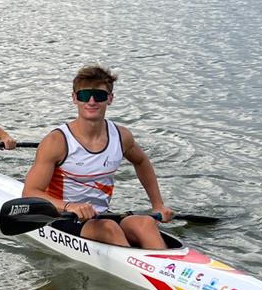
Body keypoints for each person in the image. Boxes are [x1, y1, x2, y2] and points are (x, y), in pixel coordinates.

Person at [20, 65, 171, 249]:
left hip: (101, 215)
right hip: (61, 217)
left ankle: (168, 268)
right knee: (109, 228)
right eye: (84, 95)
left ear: (110, 99)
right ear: (75, 98)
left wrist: (158, 205)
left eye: (99, 96)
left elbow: (141, 162)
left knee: (145, 224)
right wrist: (70, 206)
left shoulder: (121, 136)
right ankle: (137, 270)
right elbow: (30, 193)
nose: (91, 101)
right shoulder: (56, 142)